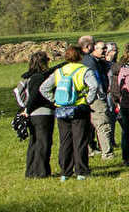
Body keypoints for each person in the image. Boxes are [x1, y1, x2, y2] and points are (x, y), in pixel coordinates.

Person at [40, 44, 100, 180]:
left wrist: (55, 100)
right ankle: (81, 171)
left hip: (62, 109)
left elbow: (43, 88)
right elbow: (94, 85)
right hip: (79, 108)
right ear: (80, 56)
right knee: (80, 141)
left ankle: (65, 172)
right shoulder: (84, 70)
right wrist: (88, 99)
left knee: (65, 142)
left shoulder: (59, 71)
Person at [14, 51, 55, 178]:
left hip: (33, 115)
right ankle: (40, 171)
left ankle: (31, 171)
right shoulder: (39, 78)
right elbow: (36, 95)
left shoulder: (30, 76)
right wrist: (27, 109)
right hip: (42, 113)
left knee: (34, 142)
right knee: (43, 142)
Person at [81, 37, 113, 160]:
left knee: (90, 126)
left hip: (90, 97)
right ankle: (107, 153)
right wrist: (101, 95)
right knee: (103, 124)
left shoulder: (94, 61)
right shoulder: (90, 62)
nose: (105, 50)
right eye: (102, 48)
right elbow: (95, 81)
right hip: (96, 98)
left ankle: (91, 149)